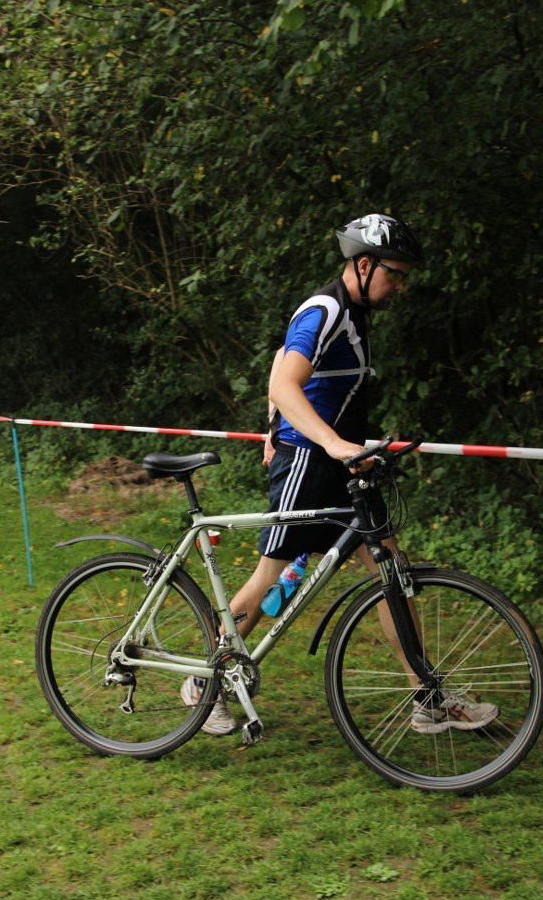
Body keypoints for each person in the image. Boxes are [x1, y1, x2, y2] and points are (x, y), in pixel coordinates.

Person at [181, 213, 498, 736]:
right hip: (310, 460)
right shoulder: (326, 309)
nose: (400, 286)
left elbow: (283, 361)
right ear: (364, 264)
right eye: (394, 273)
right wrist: (313, 437)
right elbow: (286, 378)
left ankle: (427, 695)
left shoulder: (354, 314)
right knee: (273, 575)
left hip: (340, 461)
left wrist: (283, 428)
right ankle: (205, 683)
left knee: (390, 567)